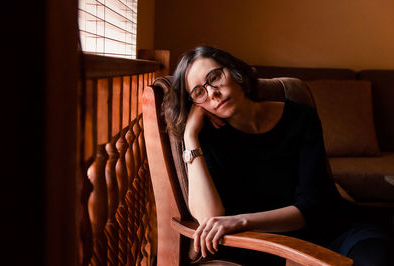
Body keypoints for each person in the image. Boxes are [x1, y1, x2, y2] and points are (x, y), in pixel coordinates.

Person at [162, 46, 392, 265]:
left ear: (234, 72)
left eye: (214, 78)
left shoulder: (301, 117)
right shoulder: (207, 137)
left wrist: (241, 220)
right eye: (199, 92)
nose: (213, 93)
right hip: (269, 244)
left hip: (334, 230)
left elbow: (312, 206)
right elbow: (209, 217)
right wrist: (191, 136)